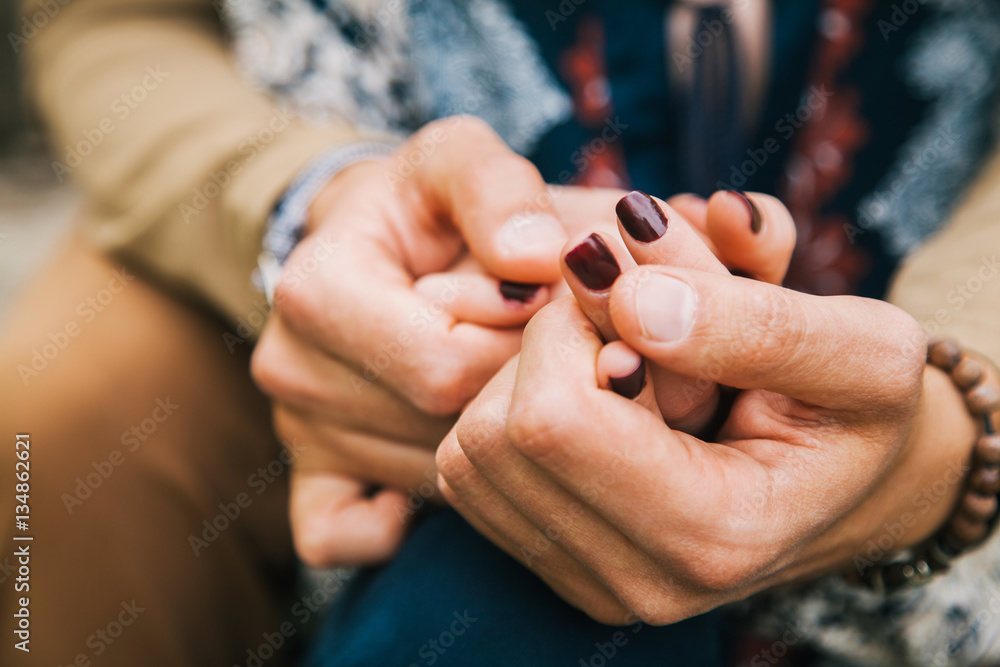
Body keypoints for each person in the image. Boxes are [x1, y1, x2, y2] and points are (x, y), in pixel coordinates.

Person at [2, 0, 999, 666]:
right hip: (336, 166)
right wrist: (309, 203)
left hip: (948, 244)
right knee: (44, 435)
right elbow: (110, 20)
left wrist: (955, 412)